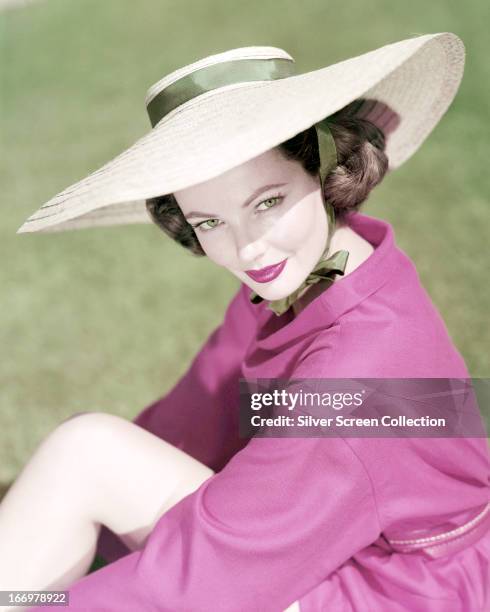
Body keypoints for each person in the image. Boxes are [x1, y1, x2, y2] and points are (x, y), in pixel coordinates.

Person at [3, 33, 489, 611]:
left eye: (267, 202)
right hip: (348, 538)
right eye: (209, 223)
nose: (249, 249)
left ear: (326, 168)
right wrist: (44, 509)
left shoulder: (356, 378)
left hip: (402, 592)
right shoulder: (317, 272)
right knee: (83, 450)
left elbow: (202, 579)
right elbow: (196, 412)